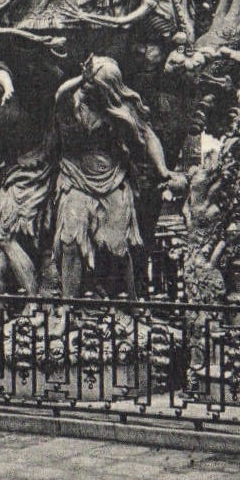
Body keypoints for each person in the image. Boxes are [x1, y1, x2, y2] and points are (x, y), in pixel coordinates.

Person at [52, 55, 187, 300]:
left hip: (113, 177)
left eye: (94, 85)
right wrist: (80, 79)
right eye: (87, 84)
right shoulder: (74, 103)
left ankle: (127, 303)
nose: (87, 89)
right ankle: (67, 308)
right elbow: (60, 95)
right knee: (70, 241)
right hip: (76, 178)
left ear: (108, 88)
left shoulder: (121, 108)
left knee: (118, 246)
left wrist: (163, 169)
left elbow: (147, 136)